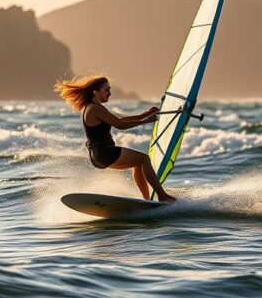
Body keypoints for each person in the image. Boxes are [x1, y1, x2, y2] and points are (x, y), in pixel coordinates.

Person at [54, 74, 176, 202]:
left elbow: (121, 119)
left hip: (98, 156)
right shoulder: (95, 109)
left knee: (138, 164)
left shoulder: (92, 108)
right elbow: (120, 125)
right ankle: (162, 195)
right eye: (106, 90)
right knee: (144, 159)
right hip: (105, 153)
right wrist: (145, 120)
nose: (110, 93)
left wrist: (144, 114)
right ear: (95, 92)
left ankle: (146, 201)